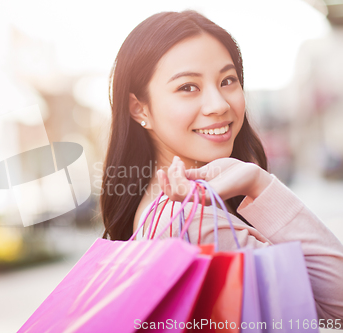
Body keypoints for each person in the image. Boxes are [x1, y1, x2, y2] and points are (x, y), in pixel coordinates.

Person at [99, 10, 343, 321]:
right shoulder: (192, 223)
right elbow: (338, 306)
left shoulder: (158, 210)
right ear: (139, 107)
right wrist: (261, 185)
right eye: (188, 87)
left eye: (228, 80)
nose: (219, 105)